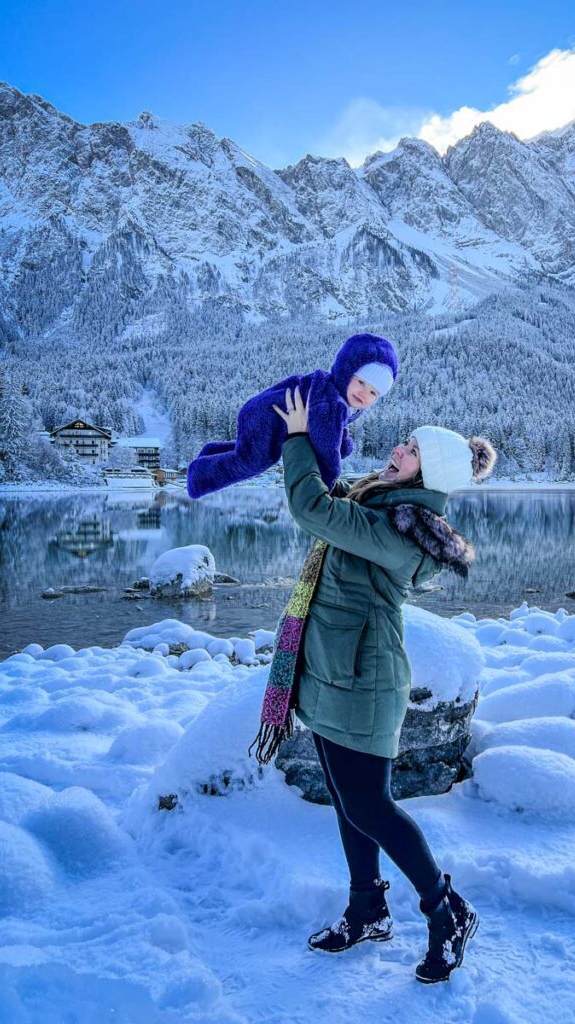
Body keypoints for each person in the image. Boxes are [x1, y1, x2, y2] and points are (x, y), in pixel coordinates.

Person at [250, 384, 496, 985]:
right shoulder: (377, 501)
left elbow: (314, 509)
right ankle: (367, 910)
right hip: (335, 672)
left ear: (427, 472)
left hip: (365, 679)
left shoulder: (400, 529)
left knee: (371, 805)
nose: (398, 448)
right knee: (348, 800)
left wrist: (299, 442)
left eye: (411, 449)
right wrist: (325, 426)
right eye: (404, 439)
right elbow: (332, 495)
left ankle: (446, 912)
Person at [185, 333, 398, 499]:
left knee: (247, 451)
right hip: (267, 419)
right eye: (361, 382)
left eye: (373, 392)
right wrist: (327, 485)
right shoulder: (331, 403)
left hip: (264, 412)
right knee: (253, 461)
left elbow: (333, 430)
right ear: (345, 372)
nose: (364, 393)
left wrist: (344, 443)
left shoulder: (334, 394)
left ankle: (210, 454)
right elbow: (326, 450)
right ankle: (198, 478)